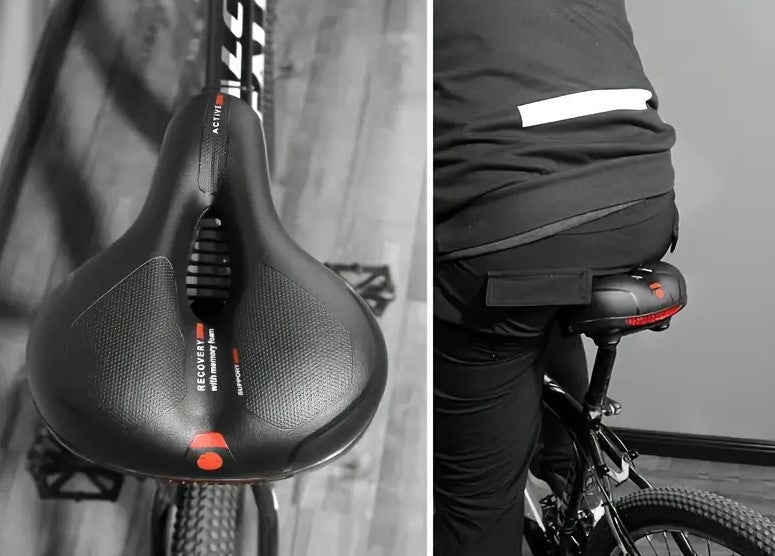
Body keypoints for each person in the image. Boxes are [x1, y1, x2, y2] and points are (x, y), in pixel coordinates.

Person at [433, 0, 679, 554]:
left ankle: (553, 481)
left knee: (476, 503)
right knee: (543, 291)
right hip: (646, 200)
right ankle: (574, 481)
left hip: (516, 234)